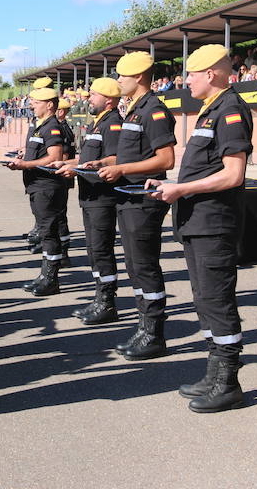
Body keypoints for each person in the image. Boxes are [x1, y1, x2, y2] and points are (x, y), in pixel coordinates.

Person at [146, 44, 253, 413]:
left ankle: (228, 383)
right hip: (196, 222)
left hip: (213, 224)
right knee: (204, 298)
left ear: (211, 74)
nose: (185, 80)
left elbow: (233, 174)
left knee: (217, 299)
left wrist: (181, 189)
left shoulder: (231, 110)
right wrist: (167, 186)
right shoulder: (211, 110)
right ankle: (213, 373)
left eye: (191, 74)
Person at [97, 51, 176, 360]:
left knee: (144, 266)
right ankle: (144, 328)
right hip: (128, 198)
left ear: (139, 78)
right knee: (134, 266)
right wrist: (107, 162)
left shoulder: (153, 110)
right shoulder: (133, 111)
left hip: (144, 201)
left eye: (123, 77)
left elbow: (165, 159)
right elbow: (132, 155)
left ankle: (154, 333)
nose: (119, 82)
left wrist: (122, 170)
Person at [53, 78, 123, 324]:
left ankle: (107, 303)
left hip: (103, 197)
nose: (88, 99)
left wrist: (79, 170)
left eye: (93, 95)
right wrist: (67, 163)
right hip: (90, 195)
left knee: (102, 250)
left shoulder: (113, 123)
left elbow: (115, 159)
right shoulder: (98, 123)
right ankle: (99, 299)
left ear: (109, 100)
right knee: (93, 250)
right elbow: (87, 158)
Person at [9, 77, 67, 297]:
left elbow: (54, 157)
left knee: (49, 233)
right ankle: (45, 276)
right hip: (38, 186)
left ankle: (51, 279)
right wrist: (26, 156)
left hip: (47, 187)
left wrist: (25, 164)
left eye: (37, 102)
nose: (32, 104)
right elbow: (41, 153)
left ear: (50, 105)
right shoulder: (39, 127)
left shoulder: (52, 126)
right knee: (45, 232)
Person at [55, 97, 77, 265]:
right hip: (61, 175)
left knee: (59, 215)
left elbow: (64, 155)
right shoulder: (63, 127)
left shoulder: (62, 129)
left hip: (60, 176)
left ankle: (63, 252)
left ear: (60, 112)